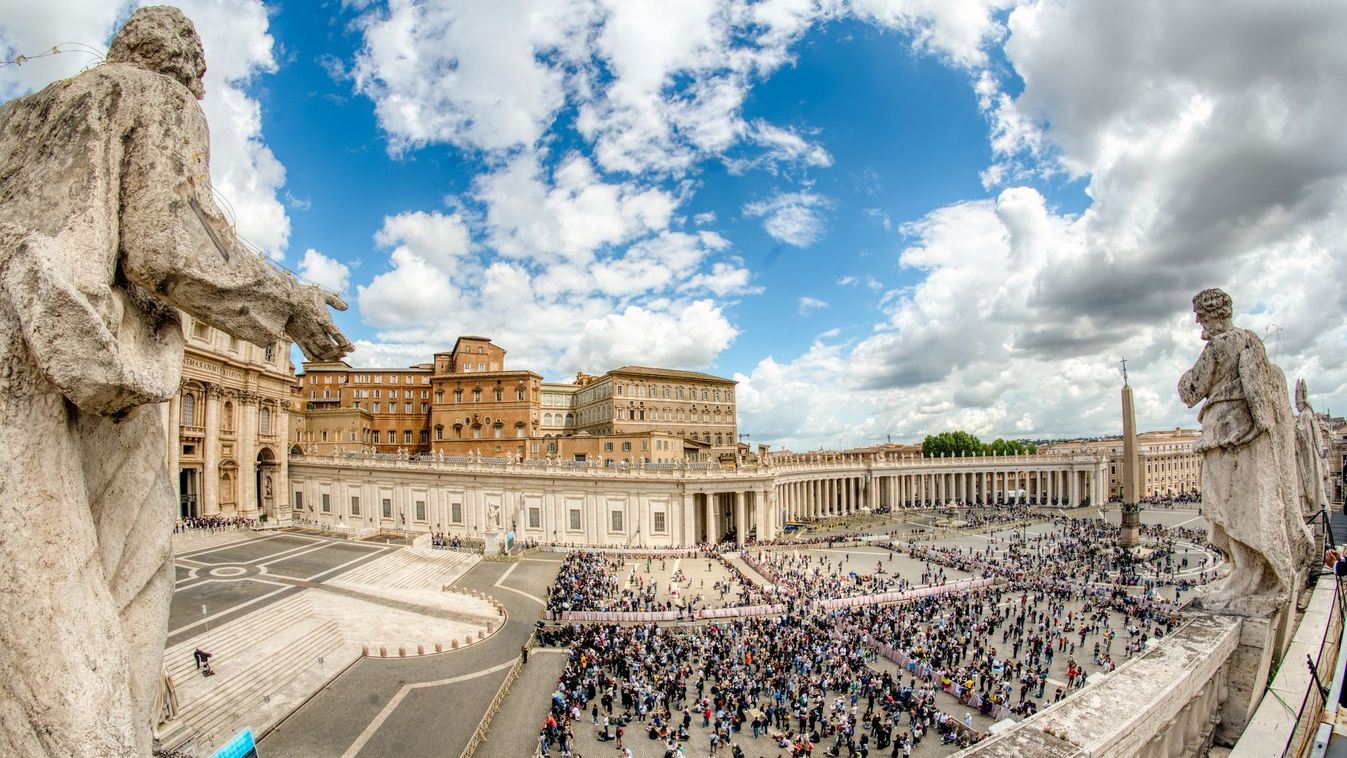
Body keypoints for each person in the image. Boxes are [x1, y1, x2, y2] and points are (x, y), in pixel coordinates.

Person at [0, 8, 351, 754]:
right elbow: (166, 243)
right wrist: (292, 305)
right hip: (67, 360)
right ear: (189, 68)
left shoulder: (20, 119)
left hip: (25, 346)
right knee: (100, 590)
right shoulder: (148, 97)